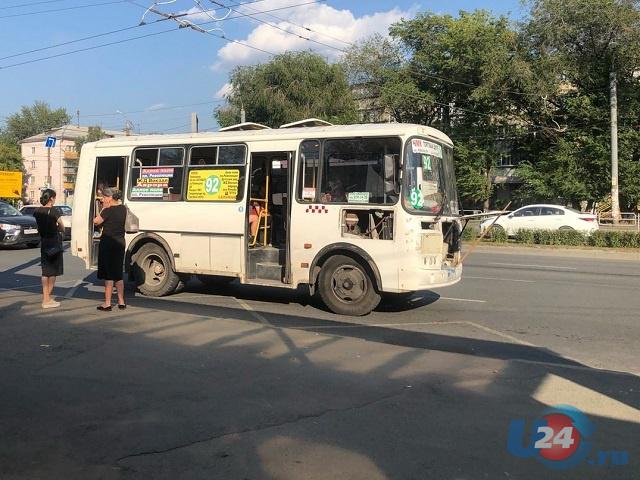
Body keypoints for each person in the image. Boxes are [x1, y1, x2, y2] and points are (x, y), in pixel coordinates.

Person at [93, 188, 127, 311]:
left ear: (109, 198)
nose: (103, 199)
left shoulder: (108, 210)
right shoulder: (123, 208)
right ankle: (121, 301)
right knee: (118, 273)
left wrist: (102, 209)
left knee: (109, 275)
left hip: (108, 243)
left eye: (104, 197)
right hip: (120, 243)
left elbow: (96, 222)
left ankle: (107, 303)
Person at [33, 189, 65, 309]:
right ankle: (47, 299)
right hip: (54, 242)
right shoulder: (54, 211)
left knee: (45, 271)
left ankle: (46, 298)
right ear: (51, 198)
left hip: (44, 242)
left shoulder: (37, 211)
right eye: (55, 197)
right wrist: (60, 228)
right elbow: (61, 226)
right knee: (53, 271)